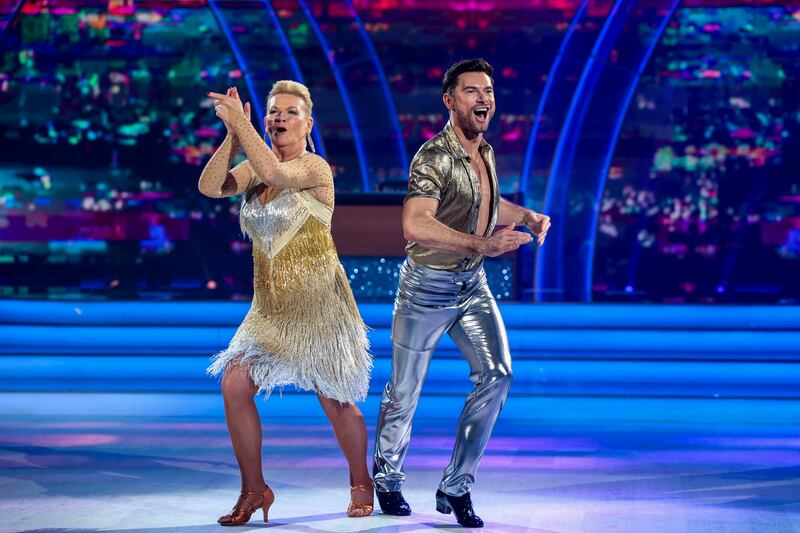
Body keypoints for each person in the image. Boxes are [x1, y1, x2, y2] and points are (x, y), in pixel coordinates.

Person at [372, 59, 551, 528]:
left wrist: (526, 215)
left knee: (498, 375)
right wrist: (483, 244)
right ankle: (387, 476)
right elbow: (415, 223)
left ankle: (457, 485)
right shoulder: (432, 156)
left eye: (488, 90)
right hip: (426, 289)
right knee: (405, 390)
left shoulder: (485, 151)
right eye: (471, 91)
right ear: (450, 101)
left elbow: (485, 204)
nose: (483, 99)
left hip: (473, 286)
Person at [199, 81, 374, 525]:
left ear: (308, 124)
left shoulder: (315, 169)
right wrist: (233, 136)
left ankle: (361, 480)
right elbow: (211, 186)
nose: (278, 118)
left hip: (319, 308)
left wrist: (241, 120)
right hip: (270, 310)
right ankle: (254, 490)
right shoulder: (256, 169)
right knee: (235, 385)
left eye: (290, 113)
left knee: (335, 400)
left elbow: (279, 175)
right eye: (273, 112)